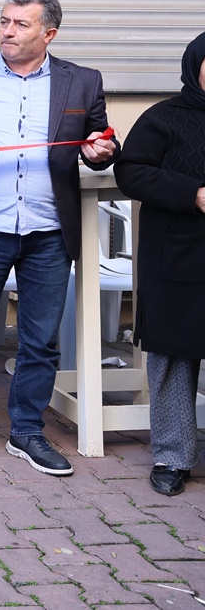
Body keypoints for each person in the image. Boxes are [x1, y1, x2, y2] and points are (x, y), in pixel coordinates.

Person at [0, 0, 117, 476]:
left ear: (48, 34)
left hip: (49, 229)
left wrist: (101, 151)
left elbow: (100, 138)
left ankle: (27, 430)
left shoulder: (82, 81)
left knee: (39, 340)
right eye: (3, 21)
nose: (7, 32)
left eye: (19, 24)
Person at [114, 32, 205, 497]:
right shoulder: (164, 117)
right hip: (178, 257)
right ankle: (173, 456)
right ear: (196, 66)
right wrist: (193, 194)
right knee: (172, 356)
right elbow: (130, 171)